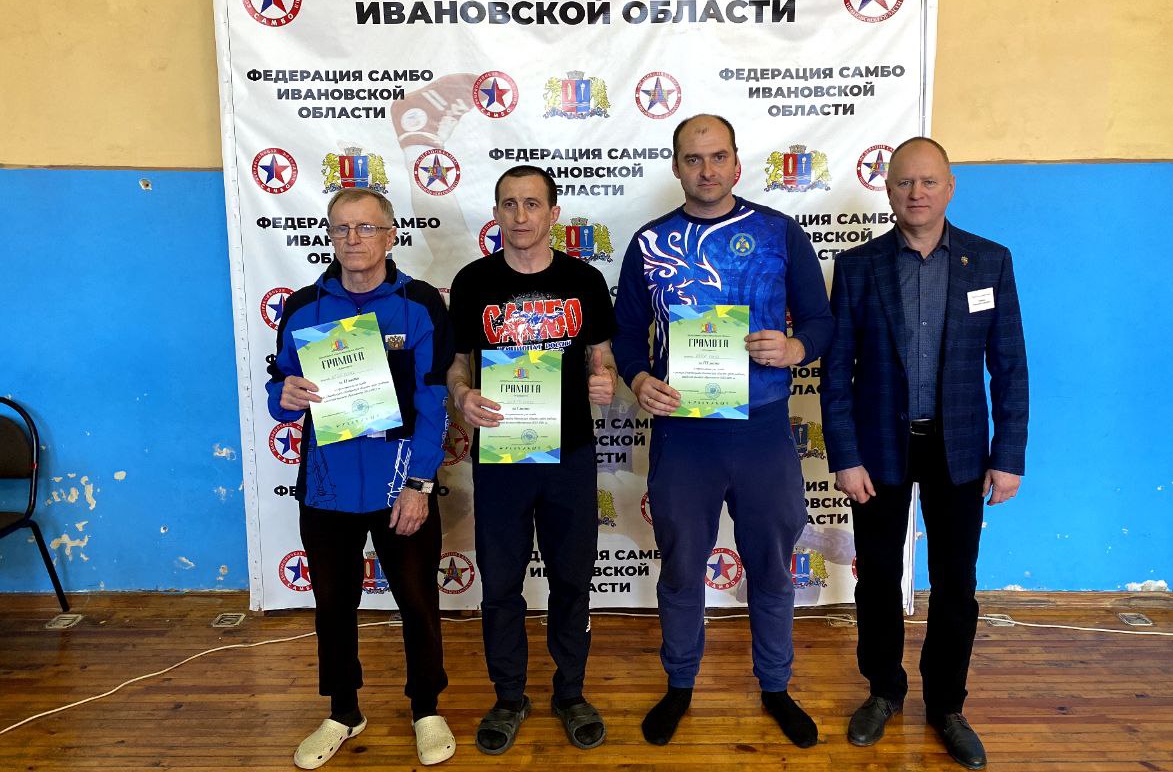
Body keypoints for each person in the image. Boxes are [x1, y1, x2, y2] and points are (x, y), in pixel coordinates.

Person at [612, 114, 834, 748]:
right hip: (684, 434)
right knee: (683, 567)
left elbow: (820, 323)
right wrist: (638, 378)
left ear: (737, 163)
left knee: (772, 567)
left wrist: (794, 348)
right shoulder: (649, 242)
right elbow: (625, 333)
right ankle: (680, 682)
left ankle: (776, 685)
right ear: (676, 166)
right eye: (692, 158)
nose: (706, 170)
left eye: (717, 157)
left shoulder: (778, 232)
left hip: (761, 430)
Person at [820, 136, 1029, 770]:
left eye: (929, 181)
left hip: (960, 448)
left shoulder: (989, 261)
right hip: (878, 449)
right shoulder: (858, 267)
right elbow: (836, 373)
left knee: (957, 583)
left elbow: (1010, 367)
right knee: (879, 579)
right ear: (888, 189)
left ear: (950, 187)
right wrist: (845, 455)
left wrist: (1009, 455)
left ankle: (947, 707)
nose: (917, 193)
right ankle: (883, 692)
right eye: (905, 182)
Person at [266, 186, 455, 769]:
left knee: (417, 601)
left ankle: (426, 708)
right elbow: (280, 391)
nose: (353, 239)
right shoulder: (303, 308)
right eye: (342, 228)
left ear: (390, 236)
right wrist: (283, 396)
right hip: (327, 488)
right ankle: (344, 711)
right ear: (329, 236)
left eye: (366, 227)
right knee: (332, 604)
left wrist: (419, 484)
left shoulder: (420, 304)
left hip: (400, 487)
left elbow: (433, 402)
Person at [447, 166, 617, 754]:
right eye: (509, 204)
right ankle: (508, 697)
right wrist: (461, 395)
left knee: (572, 580)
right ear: (496, 213)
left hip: (569, 455)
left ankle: (570, 693)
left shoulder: (584, 279)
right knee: (500, 584)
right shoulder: (472, 281)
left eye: (532, 204)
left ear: (553, 213)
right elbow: (458, 362)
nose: (520, 216)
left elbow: (601, 357)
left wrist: (605, 379)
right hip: (502, 456)